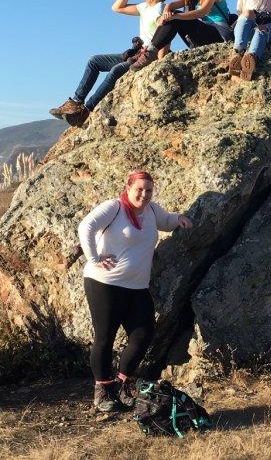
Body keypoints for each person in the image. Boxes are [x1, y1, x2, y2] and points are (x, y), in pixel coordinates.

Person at [78, 170, 193, 412]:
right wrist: (94, 257)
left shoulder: (152, 211)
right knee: (104, 338)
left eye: (148, 190)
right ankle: (102, 392)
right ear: (128, 188)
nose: (144, 194)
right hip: (104, 284)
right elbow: (86, 226)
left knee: (143, 335)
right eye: (139, 189)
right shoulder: (114, 208)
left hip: (137, 287)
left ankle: (123, 384)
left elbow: (167, 221)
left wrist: (179, 218)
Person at [49, 0, 172, 126]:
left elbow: (166, 37)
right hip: (136, 53)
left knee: (115, 70)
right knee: (94, 61)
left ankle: (86, 110)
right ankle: (75, 102)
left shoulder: (162, 10)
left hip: (147, 57)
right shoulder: (144, 7)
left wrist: (159, 62)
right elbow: (117, 7)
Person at [129, 0, 232, 69]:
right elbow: (170, 5)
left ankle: (150, 53)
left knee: (175, 17)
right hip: (202, 37)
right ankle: (149, 53)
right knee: (172, 14)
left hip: (219, 34)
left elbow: (202, 11)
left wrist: (174, 16)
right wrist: (164, 15)